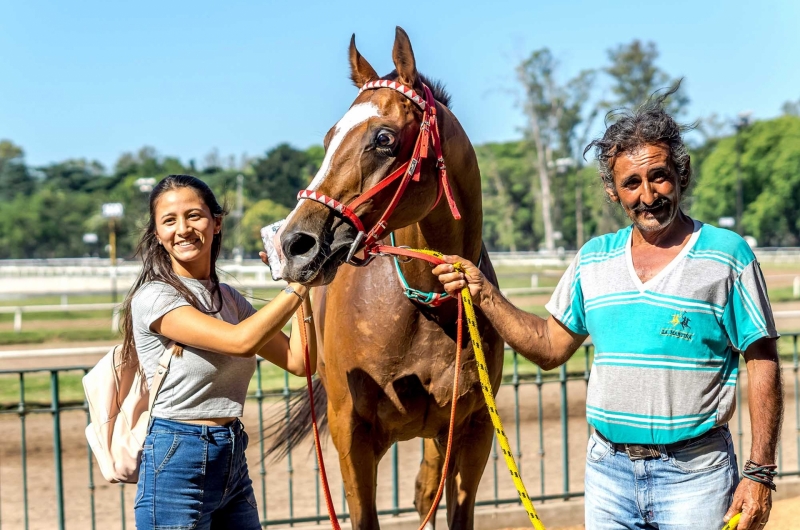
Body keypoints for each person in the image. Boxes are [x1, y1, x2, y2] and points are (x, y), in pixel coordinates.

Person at [433, 93, 782, 530]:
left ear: (682, 175)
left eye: (659, 176)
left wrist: (760, 473)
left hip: (697, 476)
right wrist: (483, 293)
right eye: (631, 183)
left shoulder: (727, 256)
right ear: (613, 192)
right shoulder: (593, 259)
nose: (648, 194)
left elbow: (762, 360)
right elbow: (548, 346)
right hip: (608, 475)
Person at [119, 174, 316, 530]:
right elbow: (240, 341)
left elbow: (299, 362)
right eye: (169, 220)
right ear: (157, 234)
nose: (183, 229)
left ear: (217, 222)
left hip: (231, 456)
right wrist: (301, 283)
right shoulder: (155, 297)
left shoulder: (228, 298)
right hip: (176, 459)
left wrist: (297, 283)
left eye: (194, 215)